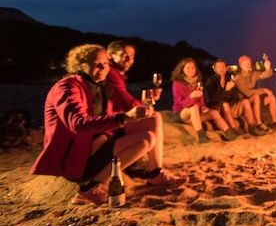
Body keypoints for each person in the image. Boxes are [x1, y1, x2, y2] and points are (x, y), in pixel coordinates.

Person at [30, 44, 181, 206]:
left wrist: (108, 133)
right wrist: (123, 118)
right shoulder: (67, 87)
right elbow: (78, 125)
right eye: (97, 64)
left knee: (151, 125)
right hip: (74, 155)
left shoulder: (101, 86)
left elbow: (113, 115)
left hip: (95, 142)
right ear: (80, 65)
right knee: (146, 138)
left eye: (106, 64)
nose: (103, 68)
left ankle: (155, 173)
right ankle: (90, 187)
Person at [106, 40, 180, 186]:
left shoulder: (116, 74)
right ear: (110, 55)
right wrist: (145, 107)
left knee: (154, 117)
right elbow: (125, 103)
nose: (129, 60)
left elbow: (123, 102)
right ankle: (155, 171)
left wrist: (146, 103)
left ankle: (155, 171)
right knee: (154, 117)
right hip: (109, 125)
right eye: (124, 55)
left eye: (132, 56)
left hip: (114, 121)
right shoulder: (110, 74)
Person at [171, 58, 237, 142]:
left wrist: (203, 107)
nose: (191, 69)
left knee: (214, 112)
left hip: (195, 115)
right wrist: (191, 97)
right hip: (181, 114)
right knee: (193, 107)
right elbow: (180, 103)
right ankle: (201, 136)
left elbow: (201, 98)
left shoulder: (197, 81)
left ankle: (228, 132)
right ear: (182, 69)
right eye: (188, 67)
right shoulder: (177, 83)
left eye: (193, 67)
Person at [206, 59, 267, 137]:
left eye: (223, 66)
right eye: (219, 67)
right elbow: (212, 99)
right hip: (218, 109)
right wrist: (226, 90)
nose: (221, 69)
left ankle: (252, 128)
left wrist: (233, 94)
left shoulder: (229, 79)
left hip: (231, 107)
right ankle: (234, 129)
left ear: (226, 68)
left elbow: (235, 95)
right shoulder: (210, 81)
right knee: (225, 104)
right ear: (214, 68)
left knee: (245, 101)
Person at [234, 54, 276, 131]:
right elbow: (246, 93)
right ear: (240, 65)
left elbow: (264, 75)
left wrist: (268, 68)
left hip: (254, 102)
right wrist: (264, 90)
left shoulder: (253, 74)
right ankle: (259, 124)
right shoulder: (238, 77)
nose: (247, 65)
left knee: (271, 98)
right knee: (256, 96)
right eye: (244, 64)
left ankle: (274, 122)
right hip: (244, 104)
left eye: (248, 63)